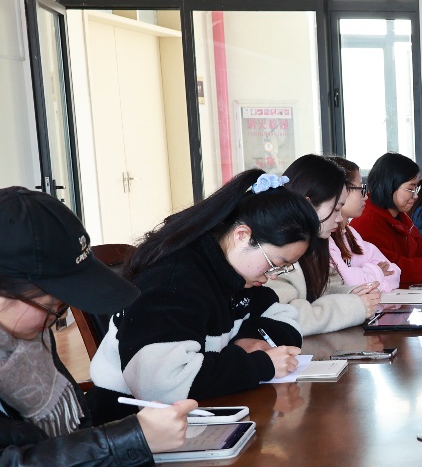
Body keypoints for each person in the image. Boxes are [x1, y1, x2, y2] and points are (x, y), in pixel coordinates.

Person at [0, 187, 194, 467]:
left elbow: (67, 434)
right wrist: (130, 440)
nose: (56, 319)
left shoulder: (24, 339)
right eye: (55, 306)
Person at [89, 170, 315, 404]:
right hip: (131, 415)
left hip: (201, 407)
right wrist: (259, 364)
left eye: (283, 268)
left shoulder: (237, 275)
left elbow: (286, 319)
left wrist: (250, 339)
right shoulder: (174, 279)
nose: (273, 276)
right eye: (275, 263)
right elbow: (158, 385)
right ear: (242, 235)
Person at [265, 155, 381, 335]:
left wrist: (354, 294)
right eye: (336, 209)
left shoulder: (315, 243)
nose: (340, 218)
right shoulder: (276, 247)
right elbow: (284, 316)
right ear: (308, 204)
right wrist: (353, 307)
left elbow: (324, 288)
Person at [351, 153, 422, 284]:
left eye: (416, 189)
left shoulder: (400, 216)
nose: (415, 196)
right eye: (410, 189)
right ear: (389, 186)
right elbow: (396, 269)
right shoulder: (367, 222)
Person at [328, 156, 401, 292]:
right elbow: (348, 282)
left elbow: (394, 272)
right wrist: (377, 273)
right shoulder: (326, 238)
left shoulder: (352, 234)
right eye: (361, 188)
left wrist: (371, 283)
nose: (366, 196)